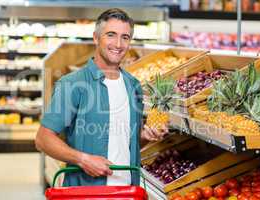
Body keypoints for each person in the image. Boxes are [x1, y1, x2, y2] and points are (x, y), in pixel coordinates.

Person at [35, 8, 167, 187]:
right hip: (87, 192)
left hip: (127, 191)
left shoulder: (134, 85)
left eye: (125, 37)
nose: (118, 44)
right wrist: (83, 159)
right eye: (111, 35)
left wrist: (144, 135)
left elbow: (126, 142)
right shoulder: (73, 83)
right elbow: (43, 139)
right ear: (96, 38)